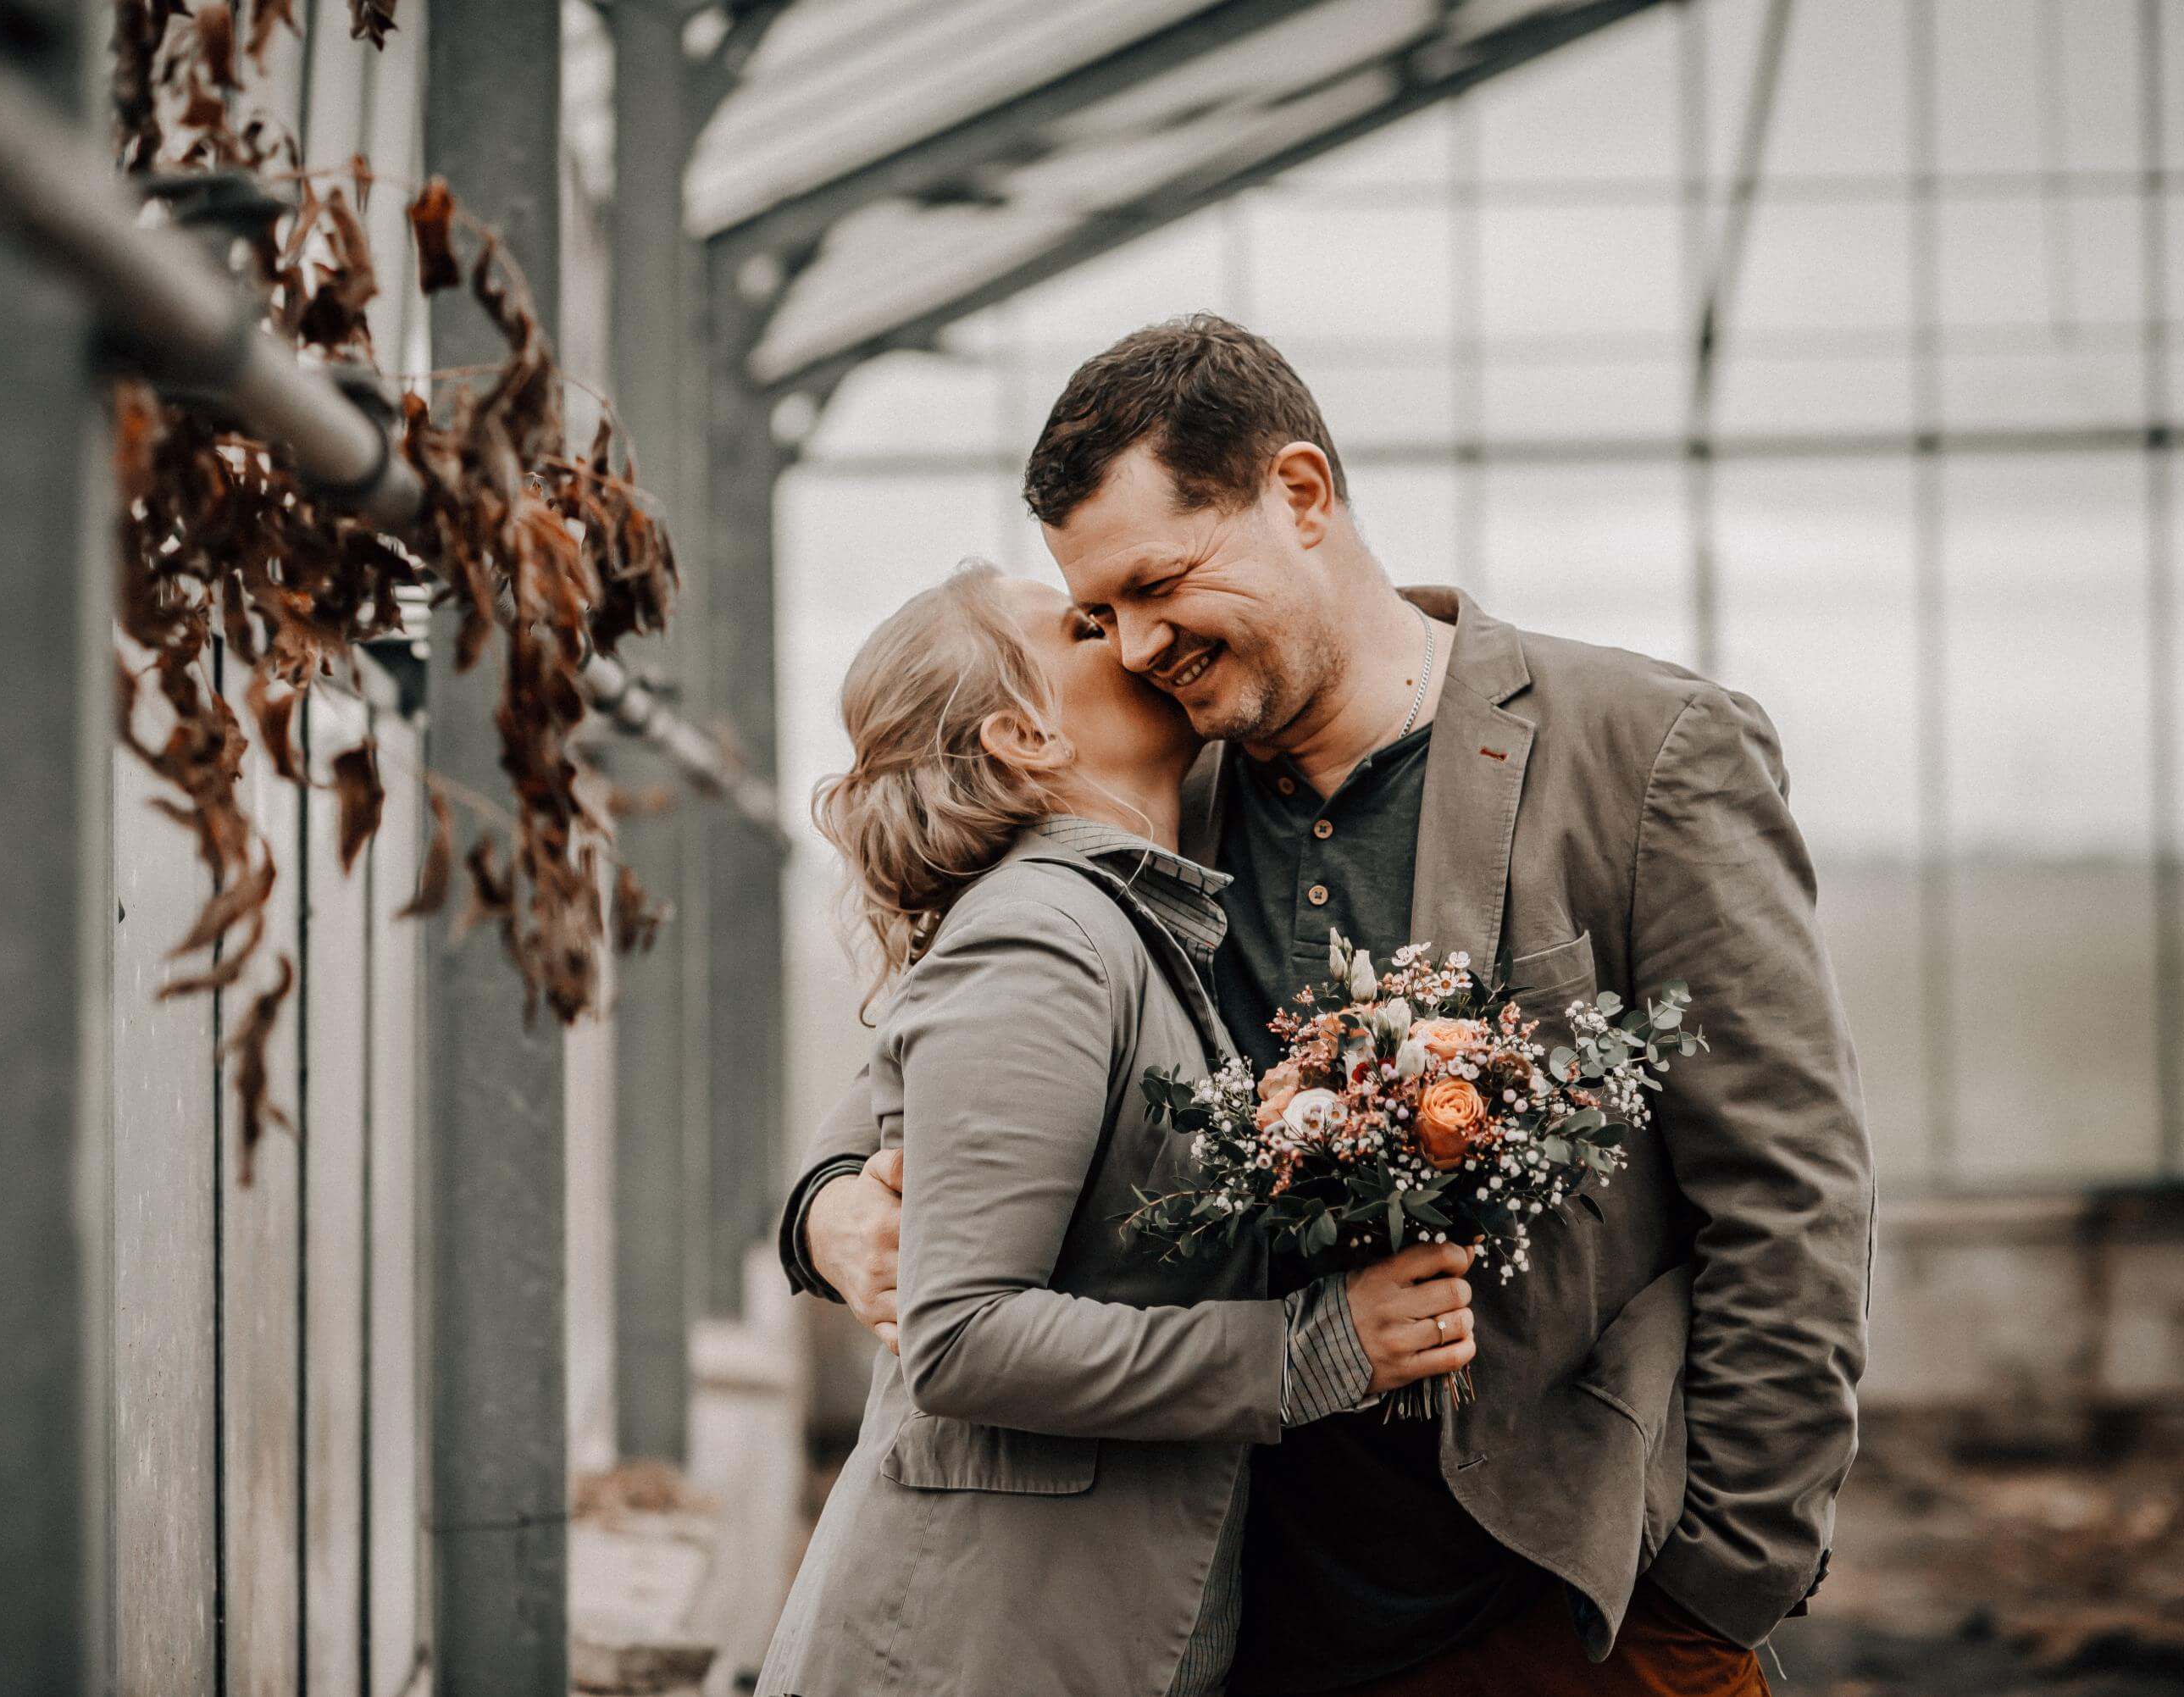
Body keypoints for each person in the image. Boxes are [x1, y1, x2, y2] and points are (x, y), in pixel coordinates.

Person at [780, 316, 1875, 1696]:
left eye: (1156, 584)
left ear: (1298, 495)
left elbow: (1791, 1191)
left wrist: (1721, 1583)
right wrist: (831, 1211)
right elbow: (887, 1103)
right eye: (1099, 612)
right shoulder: (1149, 810)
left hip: (1560, 1601)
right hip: (1235, 1603)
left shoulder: (1646, 752)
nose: (1133, 645)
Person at [756, 563, 1480, 1697]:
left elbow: (858, 1146)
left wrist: (825, 1205)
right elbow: (962, 1339)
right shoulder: (1040, 941)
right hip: (975, 1654)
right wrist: (1313, 1352)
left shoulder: (1109, 917)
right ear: (1024, 736)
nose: (1140, 641)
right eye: (1087, 628)